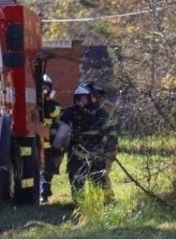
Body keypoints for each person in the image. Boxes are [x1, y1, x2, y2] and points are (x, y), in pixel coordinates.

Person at [59, 82, 119, 201]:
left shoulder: (100, 112)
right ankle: (79, 204)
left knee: (99, 177)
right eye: (80, 98)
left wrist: (111, 146)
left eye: (85, 98)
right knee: (76, 178)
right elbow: (60, 134)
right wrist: (58, 145)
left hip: (97, 151)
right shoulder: (69, 113)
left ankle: (107, 200)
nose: (82, 101)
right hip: (76, 152)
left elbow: (111, 130)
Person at [40, 74, 63, 202]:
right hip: (37, 141)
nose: (43, 89)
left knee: (47, 170)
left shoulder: (53, 104)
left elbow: (58, 112)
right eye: (41, 87)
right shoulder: (32, 102)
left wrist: (48, 104)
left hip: (48, 143)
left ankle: (45, 194)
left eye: (45, 87)